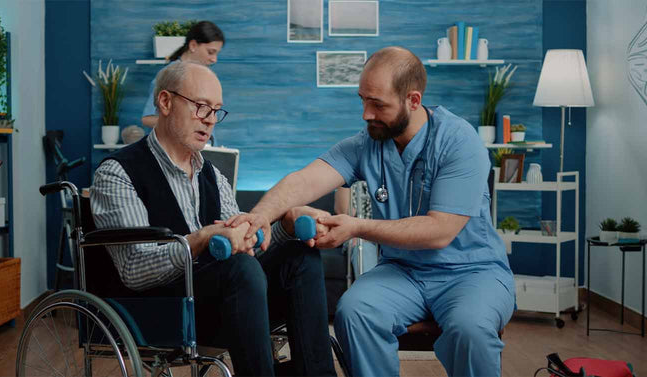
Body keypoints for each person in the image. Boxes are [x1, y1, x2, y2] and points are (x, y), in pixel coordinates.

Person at [226, 46, 516, 377]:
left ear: (413, 100)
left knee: (470, 329)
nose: (366, 113)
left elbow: (440, 231)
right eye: (362, 100)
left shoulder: (459, 142)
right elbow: (304, 181)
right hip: (403, 272)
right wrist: (262, 215)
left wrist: (356, 227)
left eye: (378, 104)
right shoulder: (369, 143)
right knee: (354, 311)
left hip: (472, 273)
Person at [90, 61, 337, 377]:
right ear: (165, 102)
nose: (209, 122)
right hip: (160, 312)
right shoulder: (117, 172)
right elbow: (134, 270)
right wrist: (198, 239)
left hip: (219, 304)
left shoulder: (213, 175)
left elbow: (244, 247)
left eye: (216, 111)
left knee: (300, 257)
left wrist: (283, 227)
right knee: (239, 268)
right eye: (200, 107)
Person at [141, 20, 225, 129]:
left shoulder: (205, 78)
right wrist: (185, 123)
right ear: (193, 45)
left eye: (216, 53)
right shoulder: (169, 75)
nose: (214, 59)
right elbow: (147, 119)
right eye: (210, 52)